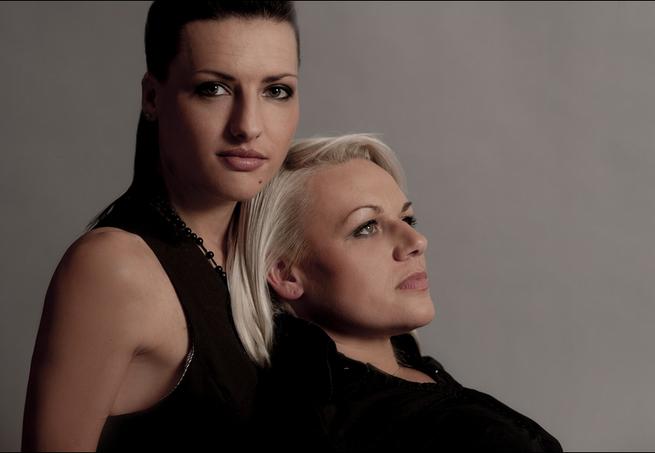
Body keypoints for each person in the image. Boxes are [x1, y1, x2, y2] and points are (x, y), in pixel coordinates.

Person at [22, 2, 300, 451]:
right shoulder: (113, 269)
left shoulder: (276, 253)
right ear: (153, 97)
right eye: (214, 88)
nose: (248, 126)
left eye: (277, 91)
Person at [230, 134, 564, 451]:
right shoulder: (348, 426)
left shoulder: (409, 374)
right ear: (285, 273)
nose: (416, 241)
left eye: (407, 219)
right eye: (366, 227)